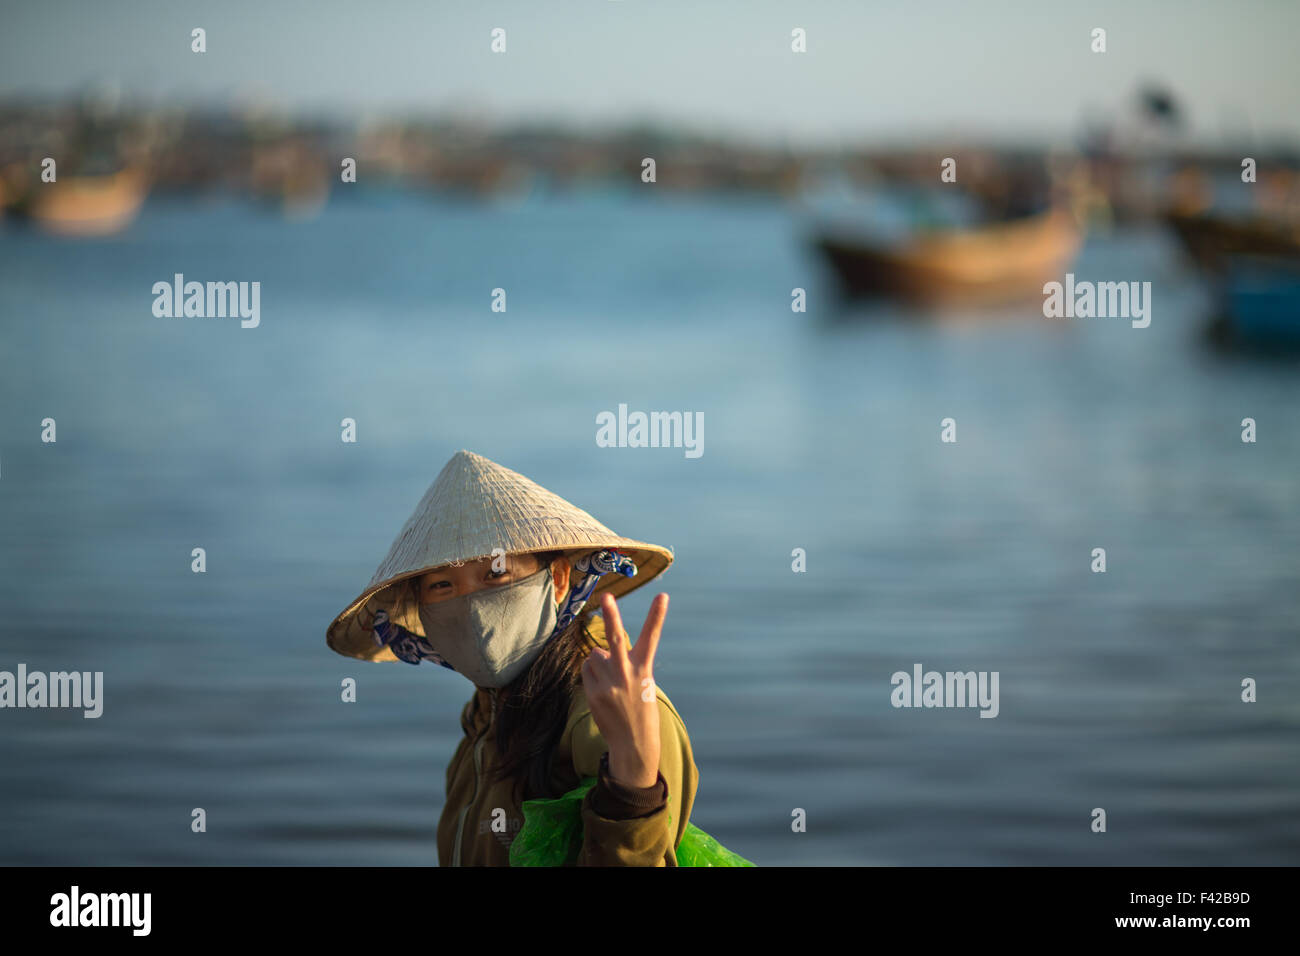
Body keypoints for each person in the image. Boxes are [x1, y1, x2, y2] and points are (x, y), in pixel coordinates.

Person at [326, 449, 698, 866]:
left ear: (557, 580)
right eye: (444, 586)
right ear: (422, 611)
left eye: (496, 574)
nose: (471, 608)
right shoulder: (484, 719)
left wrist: (633, 783)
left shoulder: (608, 713)